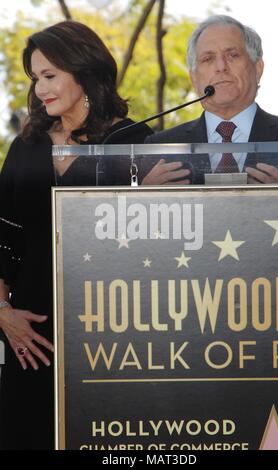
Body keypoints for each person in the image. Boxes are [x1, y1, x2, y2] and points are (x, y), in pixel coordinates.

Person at [0, 20, 152, 450]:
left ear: (84, 72)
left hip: (113, 335)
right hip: (31, 337)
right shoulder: (24, 146)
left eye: (50, 76)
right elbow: (2, 239)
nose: (40, 89)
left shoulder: (134, 141)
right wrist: (2, 312)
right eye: (36, 78)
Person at [143, 15, 278, 184]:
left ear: (258, 68)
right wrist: (145, 196)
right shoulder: (161, 147)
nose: (221, 67)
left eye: (232, 55)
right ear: (194, 78)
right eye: (208, 59)